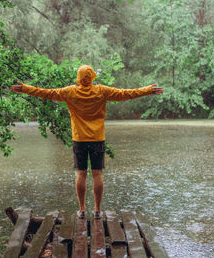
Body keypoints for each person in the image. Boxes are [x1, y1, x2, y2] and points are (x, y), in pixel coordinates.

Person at [10, 65, 163, 218]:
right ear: (92, 77)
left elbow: (46, 93)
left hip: (79, 140)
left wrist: (25, 88)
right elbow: (125, 94)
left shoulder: (70, 92)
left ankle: (82, 210)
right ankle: (97, 210)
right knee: (97, 174)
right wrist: (148, 90)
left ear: (79, 77)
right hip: (97, 139)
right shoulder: (102, 91)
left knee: (81, 174)